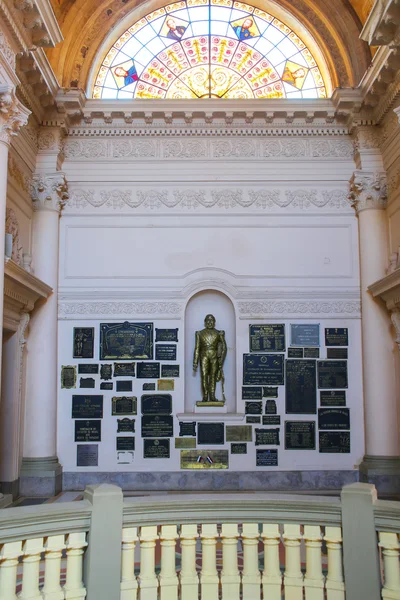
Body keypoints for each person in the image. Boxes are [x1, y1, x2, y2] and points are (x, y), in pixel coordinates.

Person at [193, 314, 227, 403]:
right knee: (203, 376)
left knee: (213, 376)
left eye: (211, 320)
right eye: (208, 320)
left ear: (214, 322)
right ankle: (205, 395)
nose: (210, 322)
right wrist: (195, 362)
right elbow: (197, 348)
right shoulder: (199, 333)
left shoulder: (219, 333)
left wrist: (221, 360)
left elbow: (224, 347)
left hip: (214, 356)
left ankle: (212, 395)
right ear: (205, 322)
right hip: (203, 355)